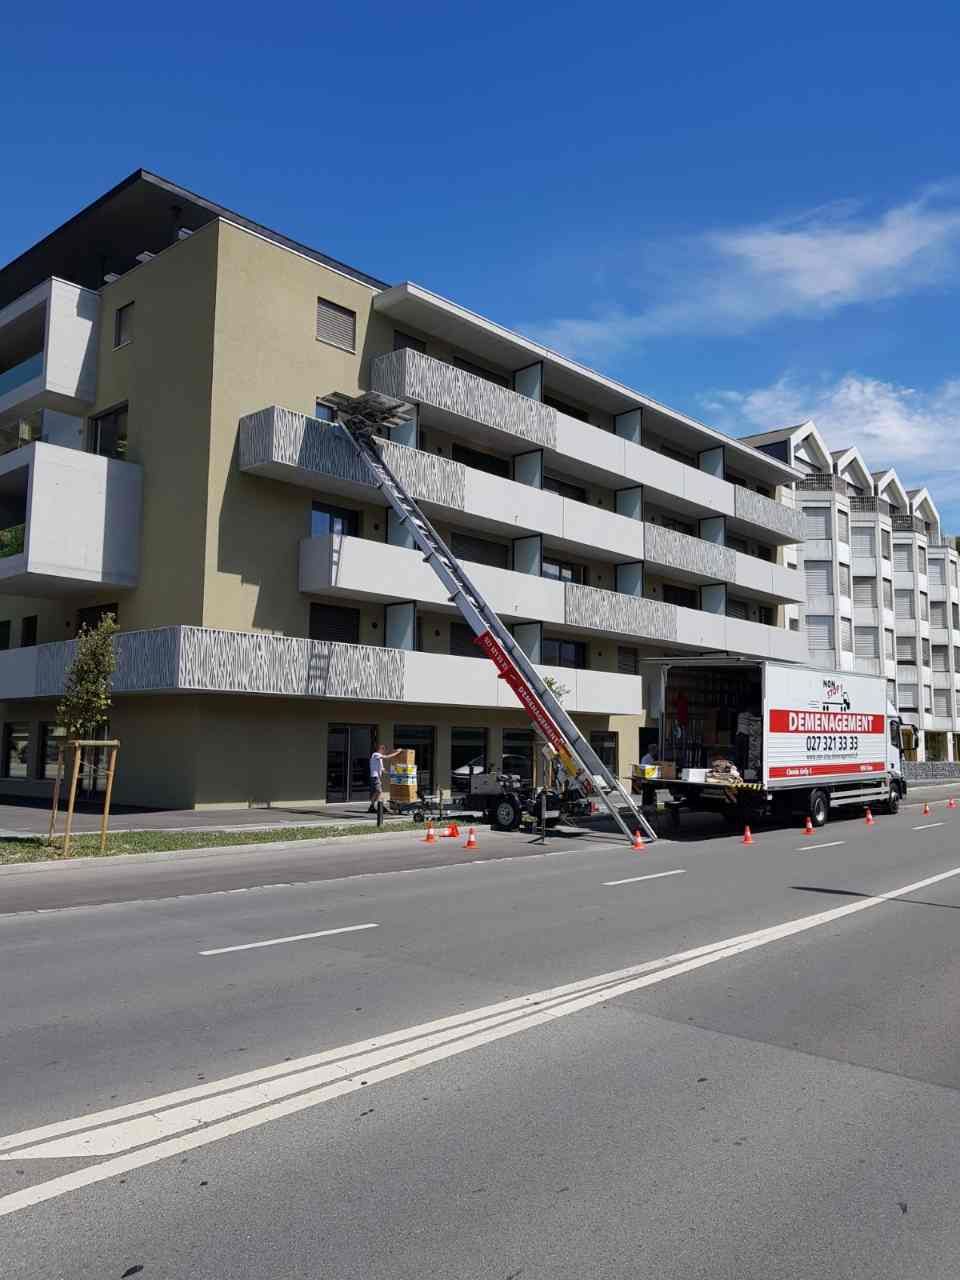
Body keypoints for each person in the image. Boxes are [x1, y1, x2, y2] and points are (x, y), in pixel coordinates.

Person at [369, 743, 402, 813]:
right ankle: (376, 806)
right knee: (379, 791)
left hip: (377, 777)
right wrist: (397, 752)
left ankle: (374, 806)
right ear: (380, 749)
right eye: (383, 749)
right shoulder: (375, 754)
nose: (384, 751)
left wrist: (392, 773)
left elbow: (383, 770)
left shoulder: (379, 758)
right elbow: (386, 757)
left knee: (378, 792)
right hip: (375, 777)